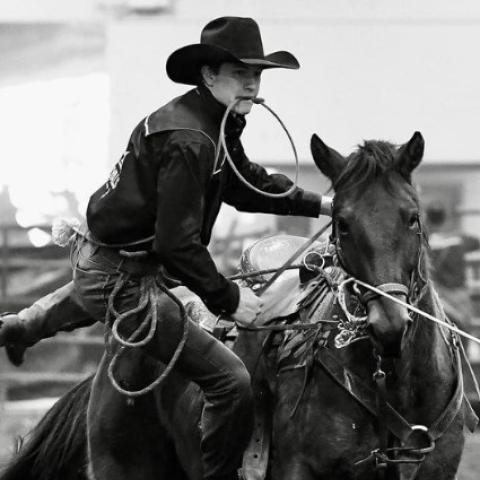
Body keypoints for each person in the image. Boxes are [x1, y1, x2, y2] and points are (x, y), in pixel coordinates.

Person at [0, 16, 332, 480]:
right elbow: (176, 244)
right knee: (231, 381)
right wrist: (230, 299)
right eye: (240, 73)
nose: (252, 83)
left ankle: (21, 326)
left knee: (92, 290)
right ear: (209, 74)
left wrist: (321, 204)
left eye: (256, 74)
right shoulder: (190, 139)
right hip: (132, 277)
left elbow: (246, 183)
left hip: (112, 262)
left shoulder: (208, 121)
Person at [426, 201, 479, 332]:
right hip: (460, 301)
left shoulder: (425, 243)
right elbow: (476, 242)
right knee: (463, 336)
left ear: (427, 218)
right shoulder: (460, 240)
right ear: (445, 218)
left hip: (439, 299)